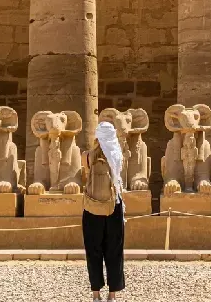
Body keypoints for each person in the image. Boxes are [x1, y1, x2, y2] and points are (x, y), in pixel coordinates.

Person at [81, 122, 126, 302]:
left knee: (93, 250)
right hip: (113, 206)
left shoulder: (87, 156)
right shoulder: (117, 155)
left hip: (92, 207)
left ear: (97, 137)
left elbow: (87, 175)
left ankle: (95, 294)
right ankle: (112, 295)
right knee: (114, 251)